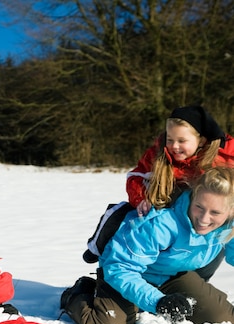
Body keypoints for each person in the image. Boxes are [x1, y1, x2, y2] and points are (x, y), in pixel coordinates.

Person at [62, 167, 234, 324]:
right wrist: (157, 301)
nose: (204, 219)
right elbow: (119, 268)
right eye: (199, 207)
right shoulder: (162, 224)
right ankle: (77, 294)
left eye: (215, 213)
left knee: (224, 318)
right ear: (194, 196)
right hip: (124, 271)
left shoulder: (228, 227)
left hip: (169, 274)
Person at [83, 105, 234, 268]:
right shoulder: (158, 154)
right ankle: (97, 248)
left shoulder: (216, 157)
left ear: (201, 140)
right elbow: (136, 177)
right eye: (170, 140)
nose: (175, 146)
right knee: (119, 213)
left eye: (182, 141)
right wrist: (141, 198)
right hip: (163, 204)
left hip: (195, 214)